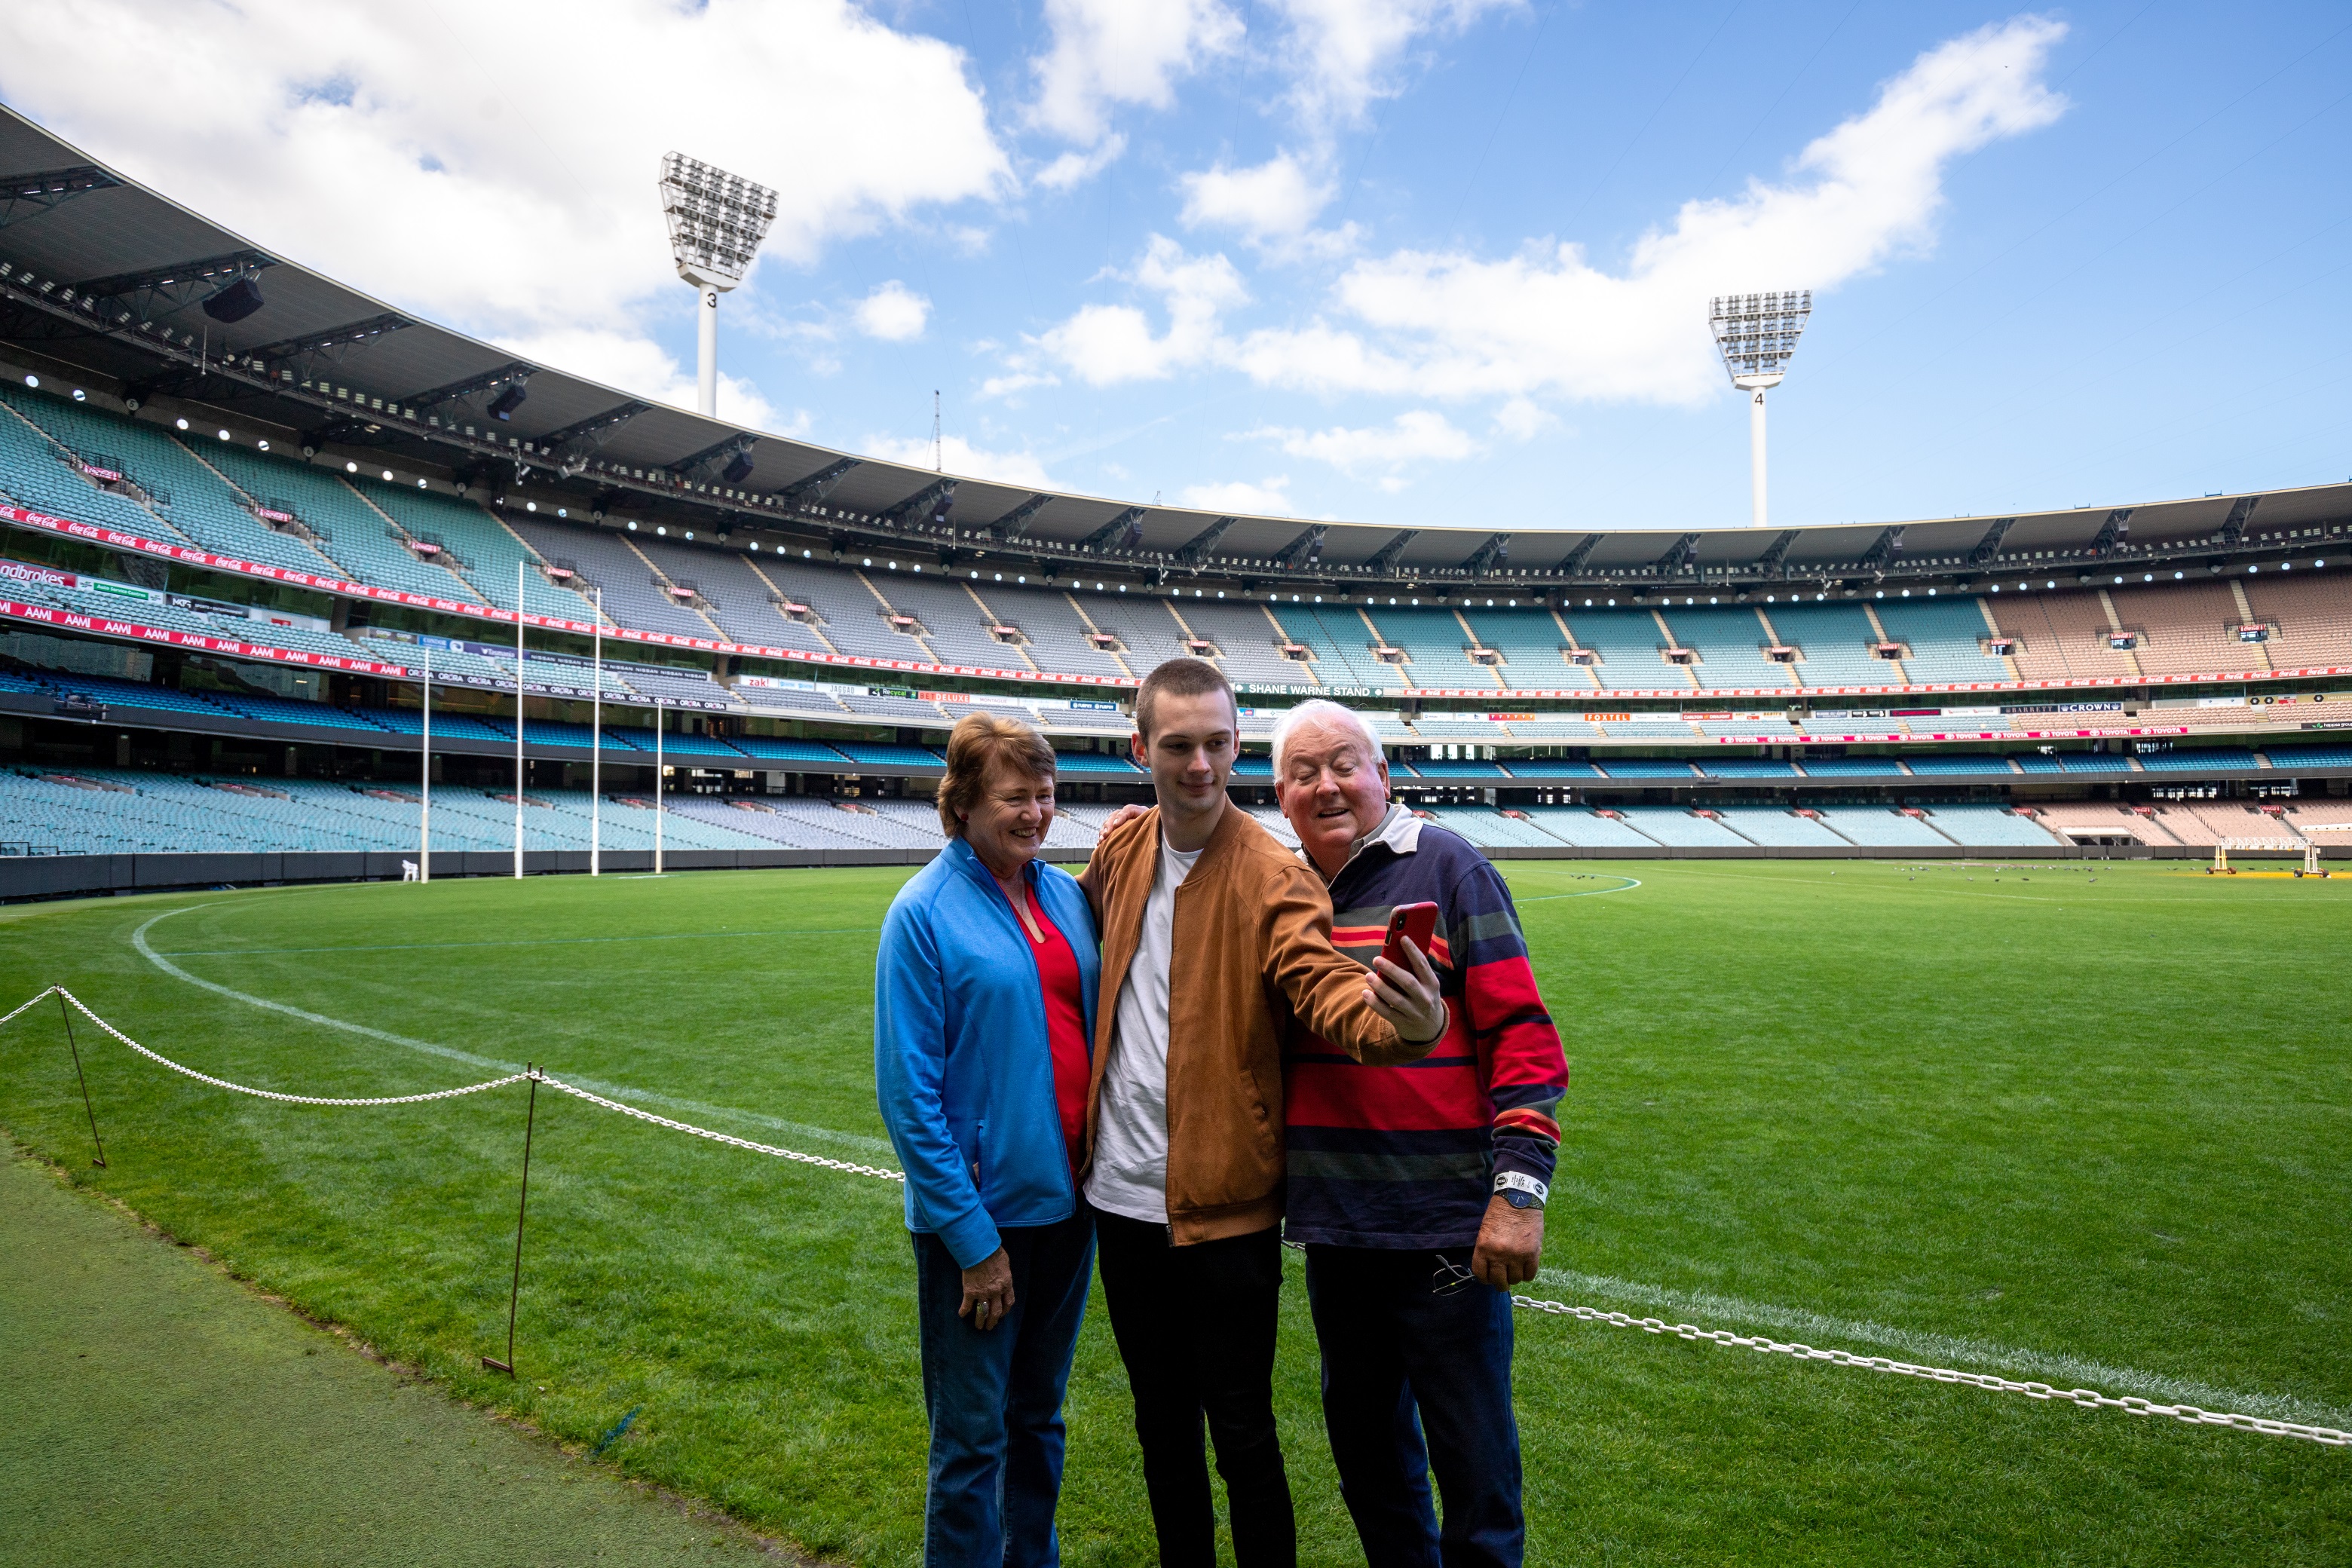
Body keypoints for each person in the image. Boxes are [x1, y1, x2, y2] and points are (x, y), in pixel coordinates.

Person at [1076, 657, 1450, 1568]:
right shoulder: (1119, 850)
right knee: (1160, 1427)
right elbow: (1071, 934)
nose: (1199, 764)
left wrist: (1399, 1022)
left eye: (1216, 743)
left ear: (1238, 746)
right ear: (1141, 749)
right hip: (1119, 1204)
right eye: (1177, 746)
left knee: (1243, 1436)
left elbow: (1321, 981)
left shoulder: (1273, 873)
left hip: (1227, 1211)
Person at [1271, 699, 1570, 1568]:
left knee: (1474, 1470)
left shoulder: (1448, 864)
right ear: (1279, 794)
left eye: (1344, 765)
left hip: (1444, 1230)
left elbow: (1524, 1035)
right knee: (1369, 1464)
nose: (1326, 785)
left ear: (1383, 775)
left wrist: (1518, 1192)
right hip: (1336, 1229)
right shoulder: (1278, 888)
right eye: (1303, 772)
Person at [875, 713, 1100, 1567]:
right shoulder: (922, 913)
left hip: (1068, 1208)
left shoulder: (1062, 893)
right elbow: (909, 1096)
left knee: (1039, 1417)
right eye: (1015, 796)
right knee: (972, 1441)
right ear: (962, 803)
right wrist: (973, 1242)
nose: (1037, 813)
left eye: (1046, 795)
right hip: (979, 1227)